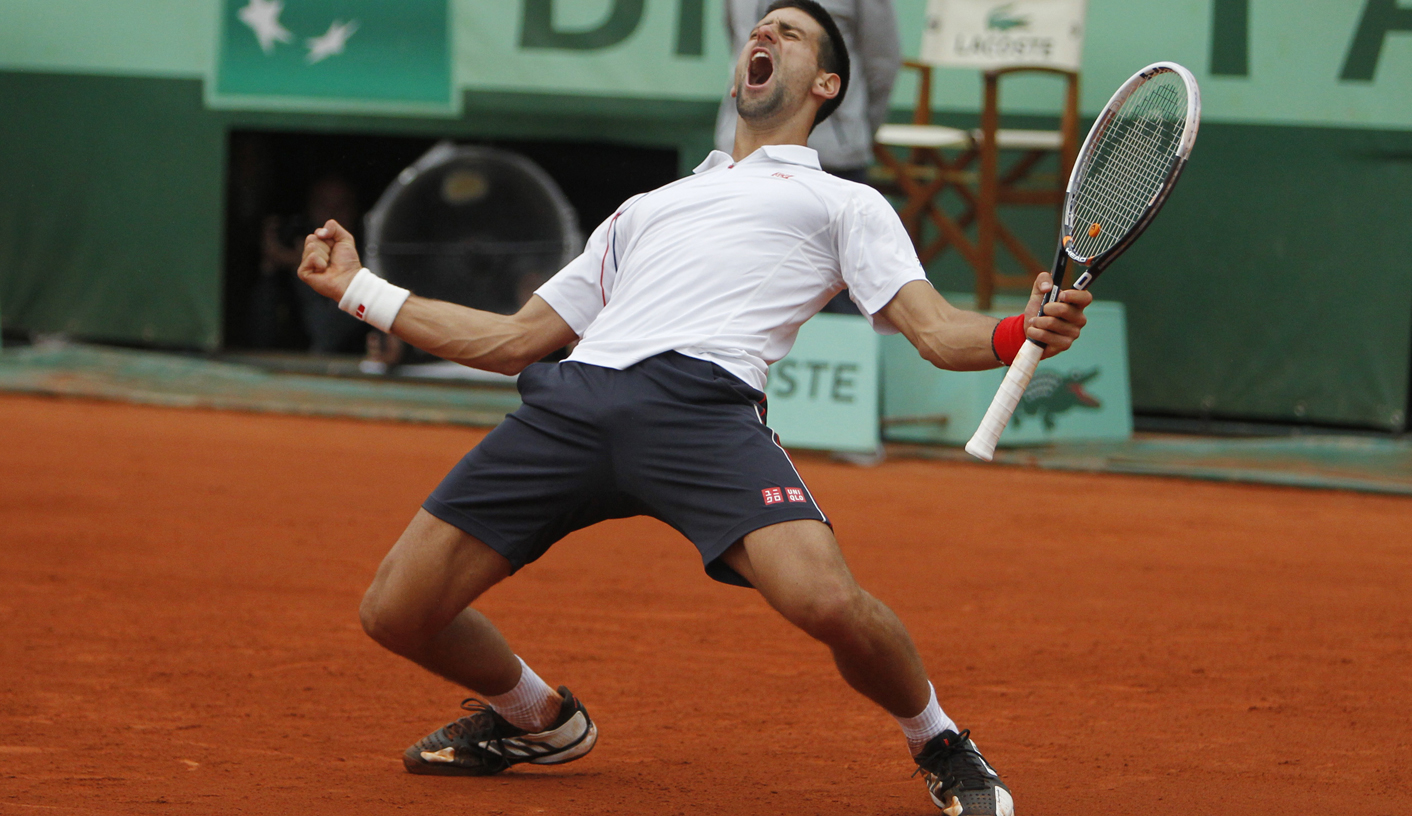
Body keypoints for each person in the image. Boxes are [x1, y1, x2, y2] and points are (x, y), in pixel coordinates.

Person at [297, 3, 1090, 813]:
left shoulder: (846, 204)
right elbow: (511, 341)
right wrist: (357, 290)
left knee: (825, 602)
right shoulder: (647, 208)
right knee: (395, 612)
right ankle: (535, 718)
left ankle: (939, 740)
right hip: (572, 405)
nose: (763, 35)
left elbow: (932, 331)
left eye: (788, 32)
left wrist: (1012, 331)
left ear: (827, 82)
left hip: (701, 410)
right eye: (760, 27)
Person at [716, 0, 900, 314]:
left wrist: (849, 129)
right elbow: (737, 39)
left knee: (844, 302)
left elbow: (881, 63)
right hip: (739, 162)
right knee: (732, 291)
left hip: (833, 161)